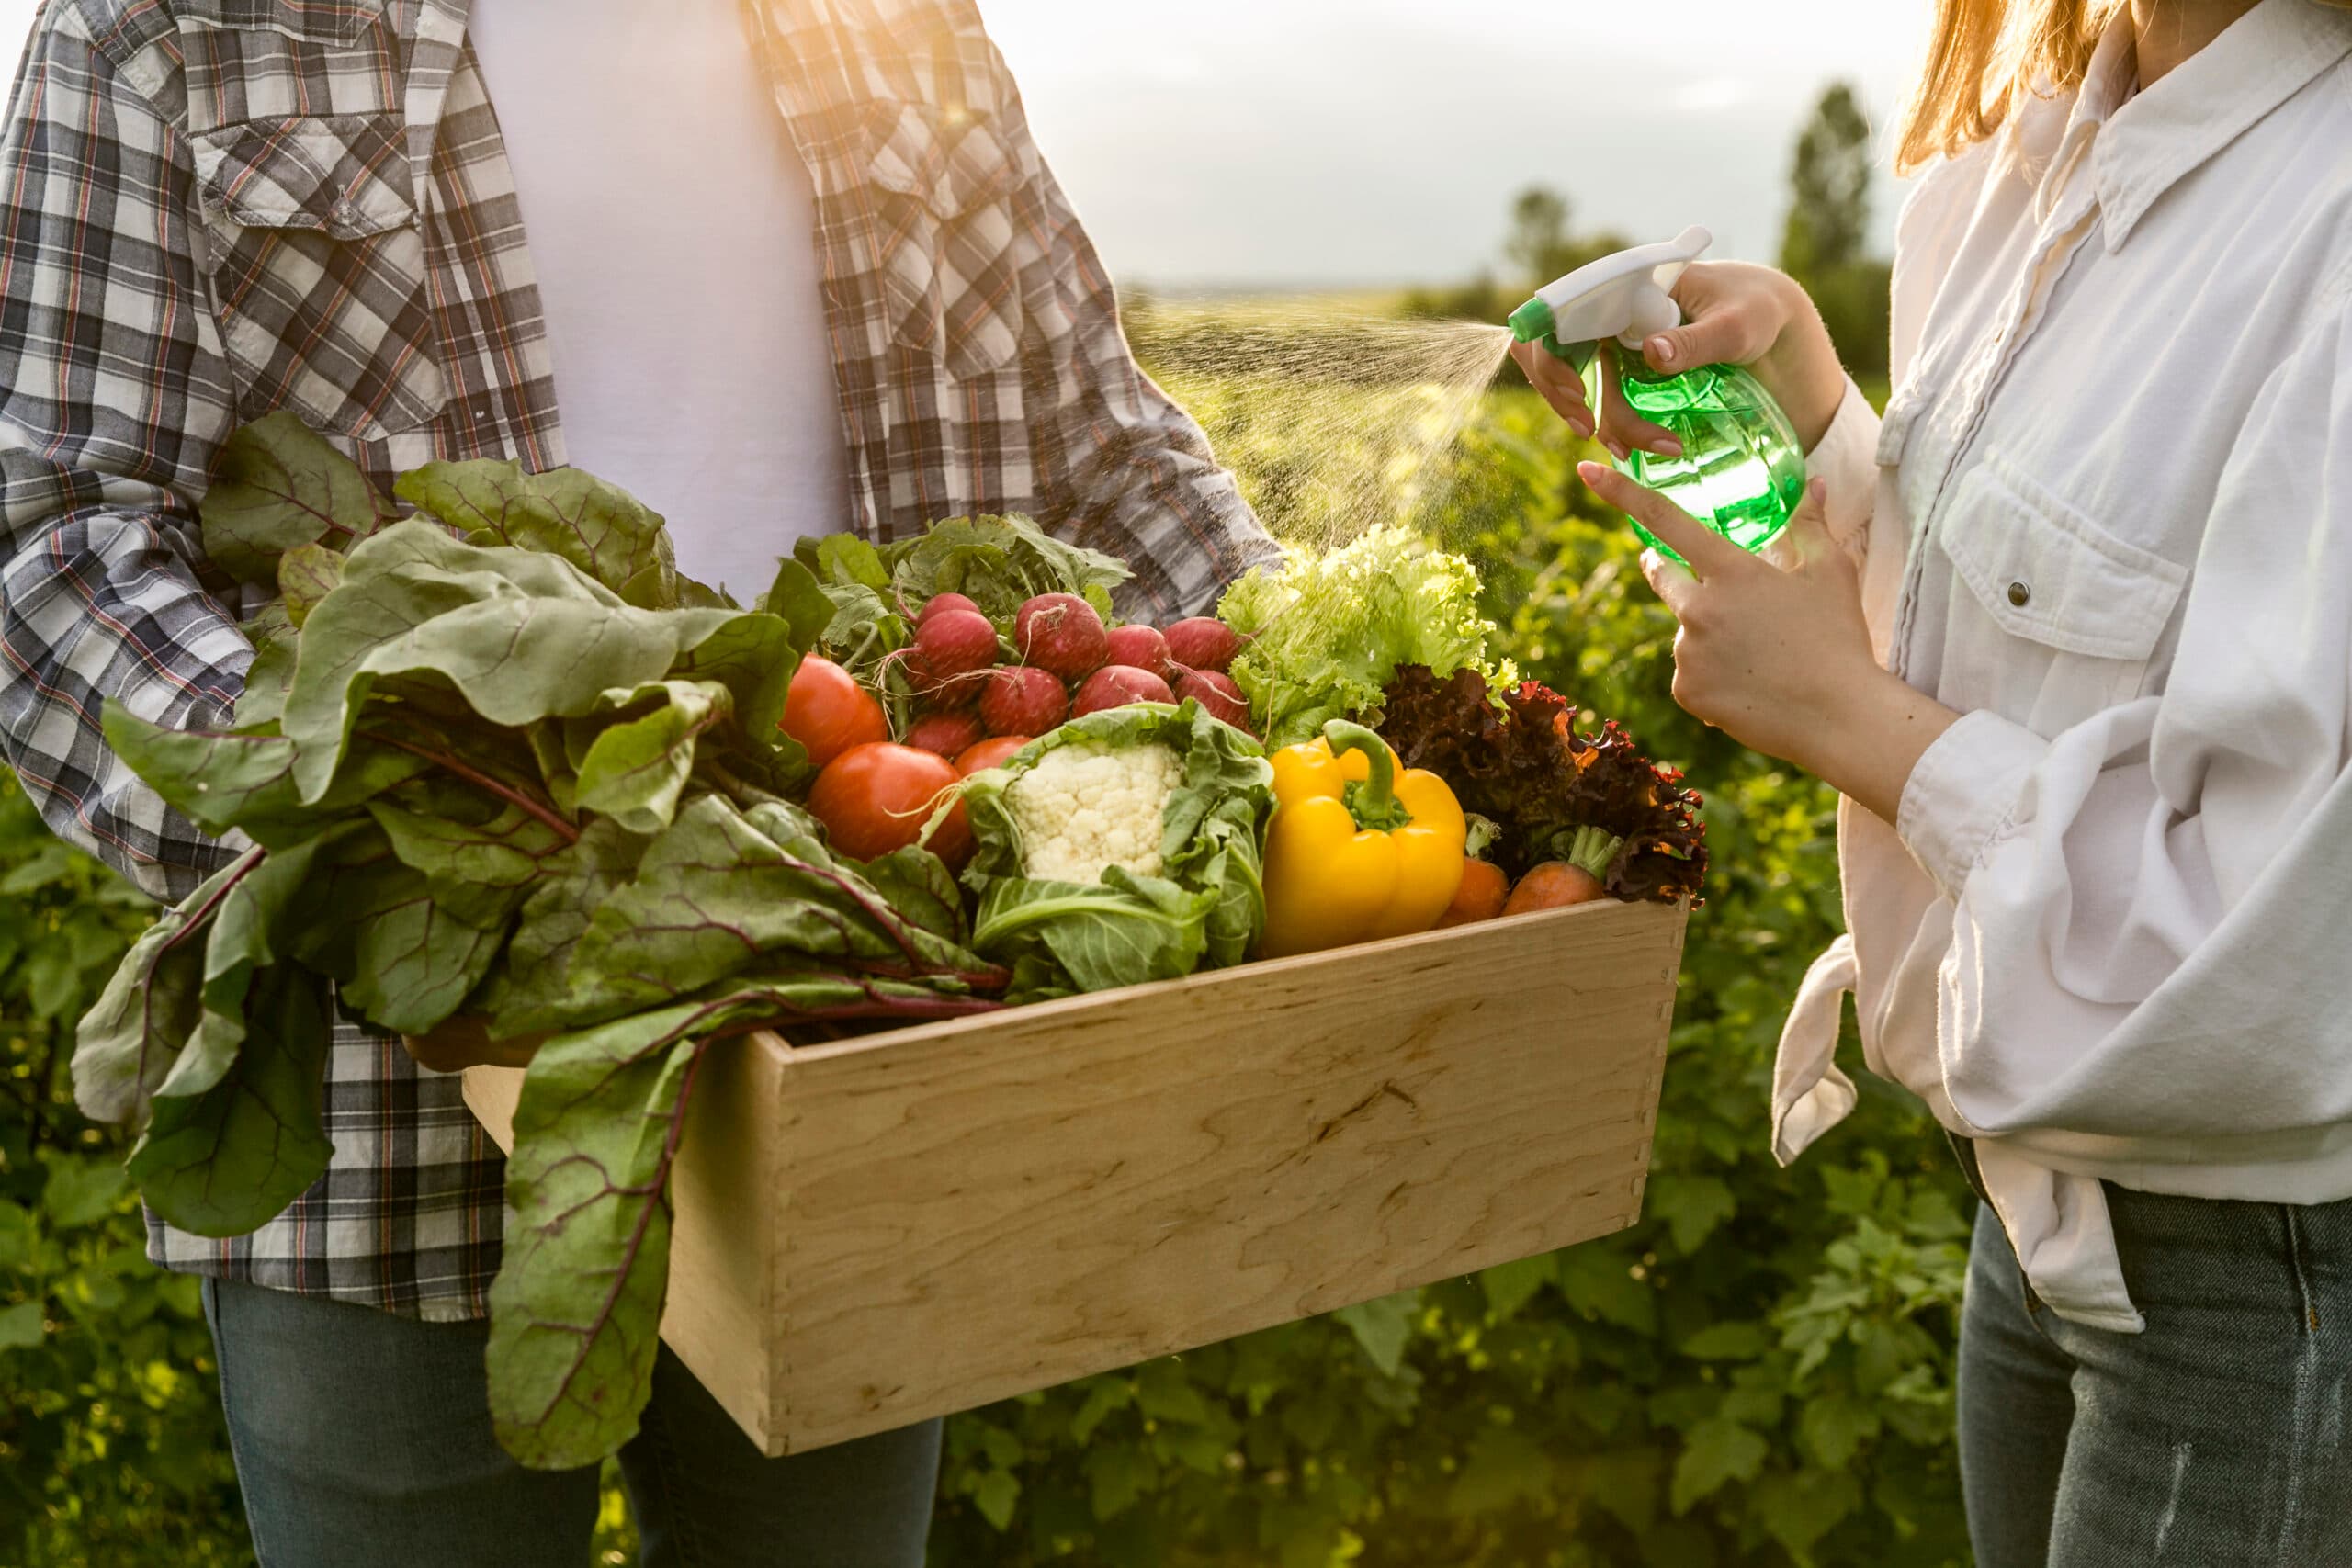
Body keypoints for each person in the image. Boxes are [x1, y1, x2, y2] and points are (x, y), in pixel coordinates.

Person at [0, 0, 1276, 1562]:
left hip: (858, 1017)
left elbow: (1102, 450)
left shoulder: (895, 25)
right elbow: (57, 536)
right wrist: (383, 821)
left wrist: (1338, 680)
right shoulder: (173, 22)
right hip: (394, 1074)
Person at [1513, 0, 2352, 1562]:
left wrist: (1846, 719)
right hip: (2032, 1219)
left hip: (2264, 1277)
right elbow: (2058, 637)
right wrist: (1828, 431)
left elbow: (2282, 952)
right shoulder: (2016, 168)